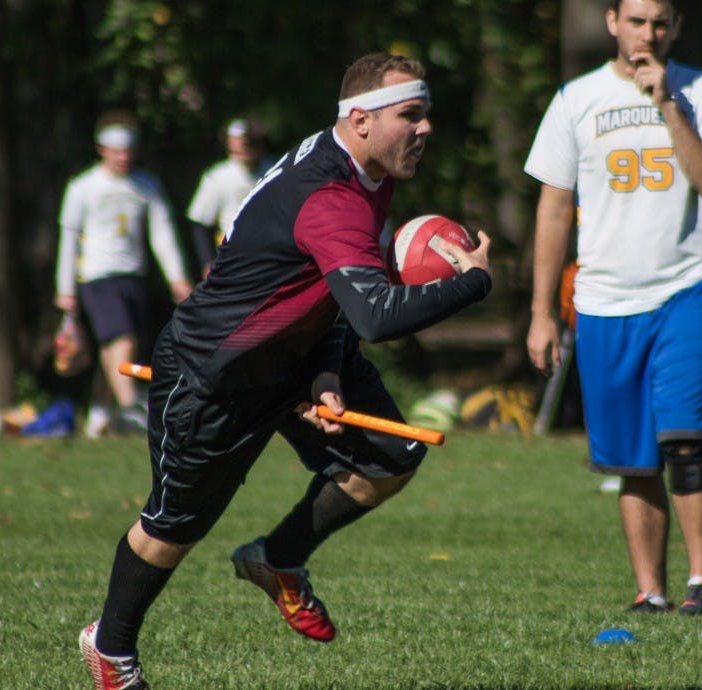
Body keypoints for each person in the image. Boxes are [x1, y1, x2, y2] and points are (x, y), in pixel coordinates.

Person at [79, 53, 492, 690]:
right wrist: (473, 283)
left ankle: (278, 558)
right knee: (174, 528)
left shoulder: (368, 169)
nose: (426, 128)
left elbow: (327, 289)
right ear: (360, 120)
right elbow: (378, 314)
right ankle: (110, 645)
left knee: (391, 455)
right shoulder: (330, 196)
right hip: (217, 372)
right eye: (411, 114)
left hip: (297, 350)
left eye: (426, 114)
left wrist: (325, 364)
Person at [524, 0, 702, 615]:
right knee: (632, 457)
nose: (650, 33)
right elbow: (553, 208)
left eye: (662, 22)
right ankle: (650, 592)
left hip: (688, 287)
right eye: (638, 20)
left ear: (676, 27)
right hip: (603, 300)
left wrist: (669, 103)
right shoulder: (575, 99)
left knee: (685, 441)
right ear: (612, 21)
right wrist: (542, 311)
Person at [55, 111, 193, 437]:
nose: (123, 157)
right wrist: (65, 289)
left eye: (128, 150)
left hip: (133, 276)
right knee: (122, 339)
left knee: (110, 349)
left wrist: (178, 277)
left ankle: (99, 417)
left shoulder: (146, 186)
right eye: (116, 151)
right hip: (97, 277)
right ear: (102, 149)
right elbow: (69, 239)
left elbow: (162, 234)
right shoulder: (83, 187)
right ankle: (132, 410)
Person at [186, 117, 274, 277]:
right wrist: (207, 262)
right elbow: (200, 223)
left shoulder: (275, 170)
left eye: (251, 144)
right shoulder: (218, 176)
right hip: (232, 261)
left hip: (269, 260)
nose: (246, 149)